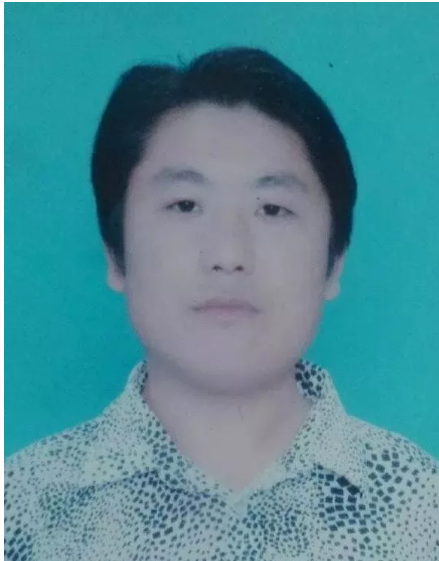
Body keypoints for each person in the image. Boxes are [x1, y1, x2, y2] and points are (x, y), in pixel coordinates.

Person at [4, 46, 438, 561]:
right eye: (185, 205)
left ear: (335, 261)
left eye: (272, 209)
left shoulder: (421, 509)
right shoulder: (23, 509)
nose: (228, 255)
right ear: (116, 255)